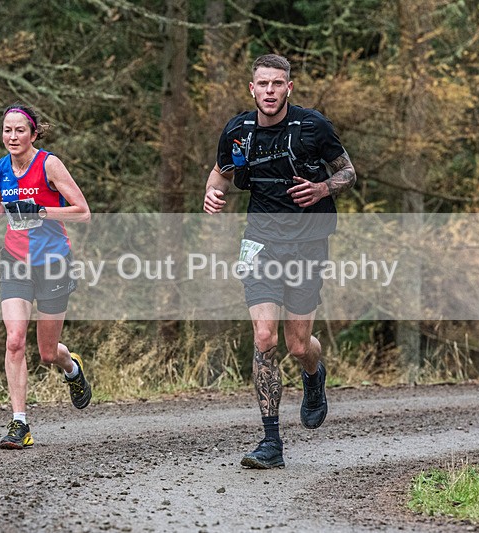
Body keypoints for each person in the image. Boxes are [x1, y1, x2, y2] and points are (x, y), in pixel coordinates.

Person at [203, 55, 356, 468]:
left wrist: (323, 188)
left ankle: (314, 375)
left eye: (277, 83)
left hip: (308, 242)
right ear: (251, 89)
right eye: (263, 84)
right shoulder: (238, 131)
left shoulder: (313, 126)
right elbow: (220, 173)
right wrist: (212, 193)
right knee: (264, 337)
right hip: (261, 241)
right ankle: (271, 443)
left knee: (298, 344)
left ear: (289, 87)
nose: (269, 91)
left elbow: (348, 172)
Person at [0, 103, 92, 450]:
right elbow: (1, 201)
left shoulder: (49, 165)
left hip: (53, 262)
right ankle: (20, 423)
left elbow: (82, 212)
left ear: (33, 134)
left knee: (47, 353)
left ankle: (71, 367)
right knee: (14, 339)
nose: (13, 137)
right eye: (7, 130)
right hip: (15, 261)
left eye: (20, 130)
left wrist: (41, 212)